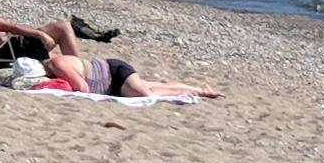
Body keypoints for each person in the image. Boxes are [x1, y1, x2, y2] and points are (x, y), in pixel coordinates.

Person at [45, 54, 223, 99]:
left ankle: (196, 92)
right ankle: (199, 89)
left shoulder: (58, 64)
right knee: (151, 86)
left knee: (147, 94)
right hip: (111, 84)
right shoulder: (55, 64)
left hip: (114, 73)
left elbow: (82, 88)